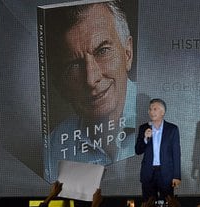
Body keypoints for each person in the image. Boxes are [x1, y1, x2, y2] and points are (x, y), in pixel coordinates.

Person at [43, 0, 137, 183]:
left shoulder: (171, 118)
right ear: (59, 84)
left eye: (103, 51)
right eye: (74, 65)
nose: (90, 79)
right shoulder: (53, 149)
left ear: (128, 53)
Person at [135, 98, 182, 201]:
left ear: (162, 112)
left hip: (166, 174)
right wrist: (145, 138)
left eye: (155, 109)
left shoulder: (172, 129)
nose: (151, 112)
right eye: (150, 109)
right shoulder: (144, 128)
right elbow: (138, 150)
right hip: (148, 173)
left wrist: (177, 176)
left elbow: (176, 154)